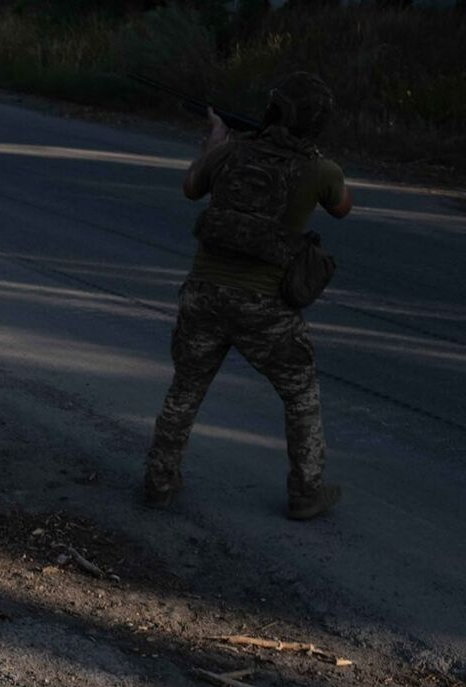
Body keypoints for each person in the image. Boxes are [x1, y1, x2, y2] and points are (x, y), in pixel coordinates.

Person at [145, 71, 354, 520]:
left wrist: (215, 139)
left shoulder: (233, 151)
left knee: (186, 388)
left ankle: (159, 481)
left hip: (205, 293)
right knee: (300, 394)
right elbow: (342, 206)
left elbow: (190, 187)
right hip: (266, 308)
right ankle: (305, 492)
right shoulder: (320, 170)